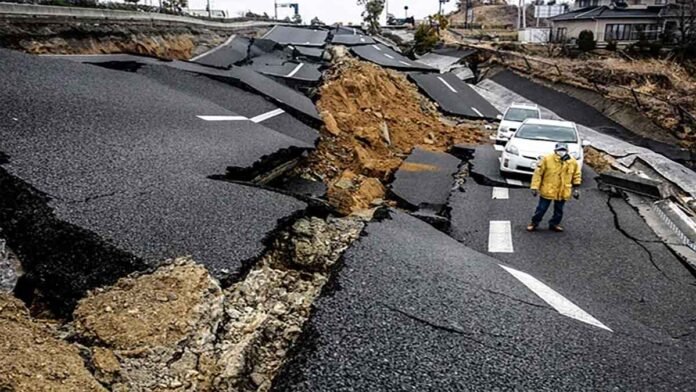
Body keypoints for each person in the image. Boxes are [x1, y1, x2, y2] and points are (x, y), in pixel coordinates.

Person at [527, 143, 581, 232]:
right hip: (548, 189)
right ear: (555, 151)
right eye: (559, 150)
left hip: (563, 190)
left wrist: (576, 188)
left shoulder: (572, 162)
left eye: (563, 150)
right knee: (541, 208)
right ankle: (534, 223)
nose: (561, 152)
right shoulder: (547, 159)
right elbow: (538, 174)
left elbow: (576, 175)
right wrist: (534, 187)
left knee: (559, 210)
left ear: (567, 151)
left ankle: (554, 224)